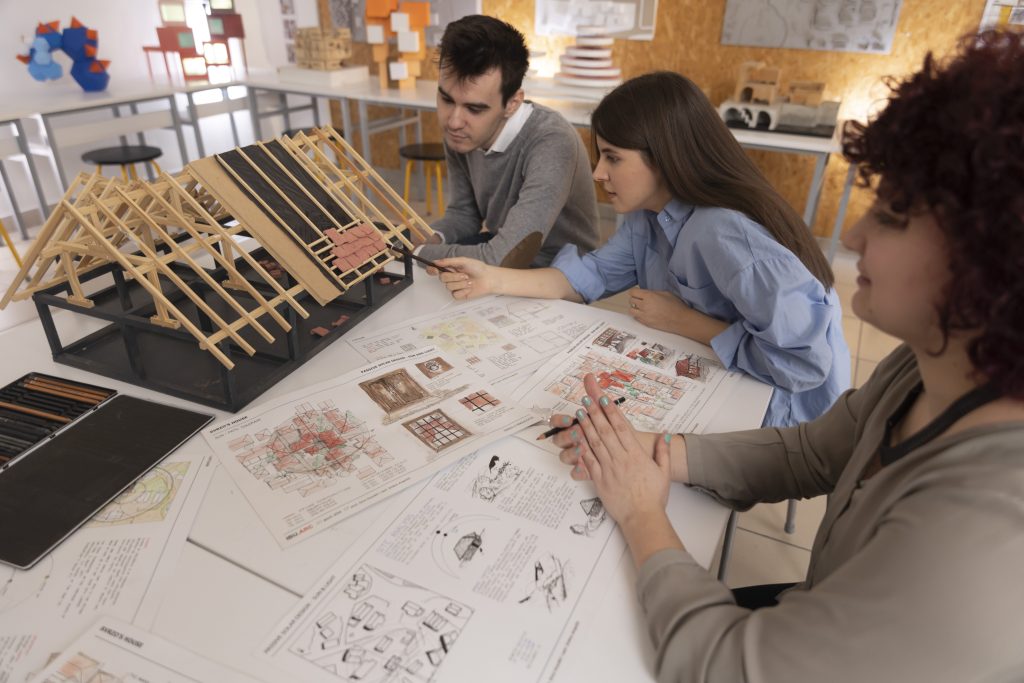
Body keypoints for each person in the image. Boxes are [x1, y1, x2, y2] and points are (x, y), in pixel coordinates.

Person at [550, 31, 1024, 682]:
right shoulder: (921, 367)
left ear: (987, 253)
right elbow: (815, 451)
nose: (853, 235)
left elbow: (719, 665)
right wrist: (660, 452)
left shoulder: (983, 535)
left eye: (889, 215)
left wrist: (642, 511)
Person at [432, 71, 849, 427]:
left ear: (666, 158)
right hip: (715, 370)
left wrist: (686, 322)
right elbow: (587, 277)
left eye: (613, 158)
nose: (597, 173)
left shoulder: (722, 230)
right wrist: (492, 278)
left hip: (779, 404)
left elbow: (803, 366)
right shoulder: (646, 215)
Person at [414, 15, 599, 268]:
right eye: (446, 100)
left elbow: (504, 257)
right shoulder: (462, 133)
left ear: (512, 104)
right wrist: (426, 238)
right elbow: (464, 214)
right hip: (501, 250)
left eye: (474, 109)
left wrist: (419, 254)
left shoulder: (552, 141)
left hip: (559, 272)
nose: (454, 121)